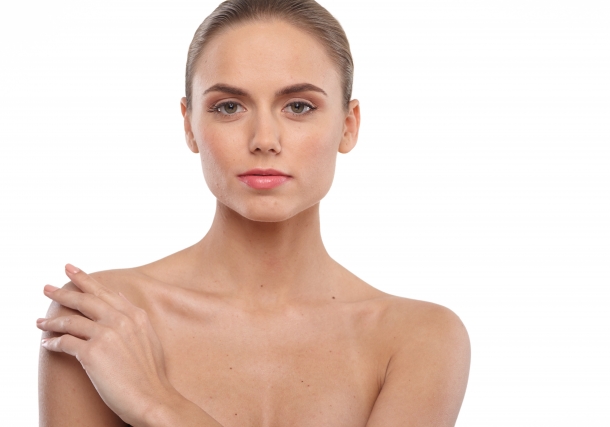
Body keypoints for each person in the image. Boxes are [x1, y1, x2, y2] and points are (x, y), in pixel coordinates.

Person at [37, 0, 471, 425]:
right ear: (189, 125)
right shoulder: (100, 319)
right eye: (229, 106)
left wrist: (157, 404)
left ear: (349, 124)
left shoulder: (420, 338)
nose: (264, 139)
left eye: (298, 106)